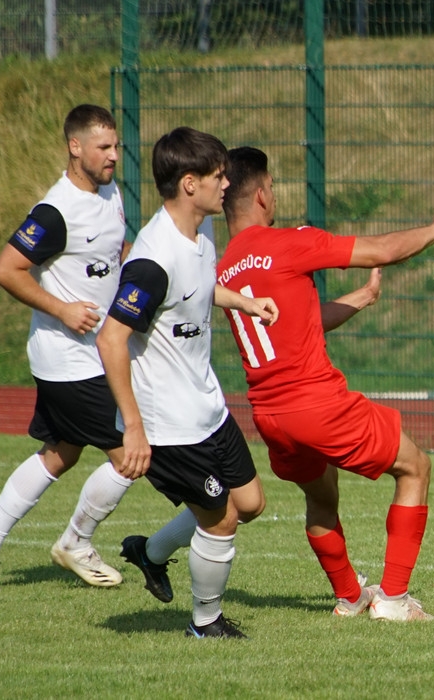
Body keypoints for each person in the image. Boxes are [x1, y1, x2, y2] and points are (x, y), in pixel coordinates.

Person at [214, 146, 434, 622]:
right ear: (262, 194)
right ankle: (393, 600)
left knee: (321, 497)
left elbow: (298, 322)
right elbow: (382, 250)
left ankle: (350, 596)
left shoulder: (224, 266)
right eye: (273, 187)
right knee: (415, 467)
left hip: (269, 415)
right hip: (316, 403)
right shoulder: (288, 242)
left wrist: (362, 298)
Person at [96, 127, 278, 639]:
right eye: (219, 176)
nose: (228, 184)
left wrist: (245, 302)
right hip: (169, 425)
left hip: (206, 407)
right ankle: (205, 622)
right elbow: (111, 339)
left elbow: (197, 287)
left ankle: (150, 553)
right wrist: (133, 427)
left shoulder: (201, 231)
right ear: (190, 183)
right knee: (220, 521)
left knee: (250, 505)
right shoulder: (152, 261)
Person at [0, 104, 136, 592]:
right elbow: (6, 268)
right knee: (132, 454)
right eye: (103, 147)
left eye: (116, 146)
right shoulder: (55, 212)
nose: (113, 156)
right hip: (68, 360)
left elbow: (114, 251)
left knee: (60, 454)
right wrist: (62, 309)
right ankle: (76, 542)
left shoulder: (111, 191)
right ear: (75, 147)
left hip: (93, 354)